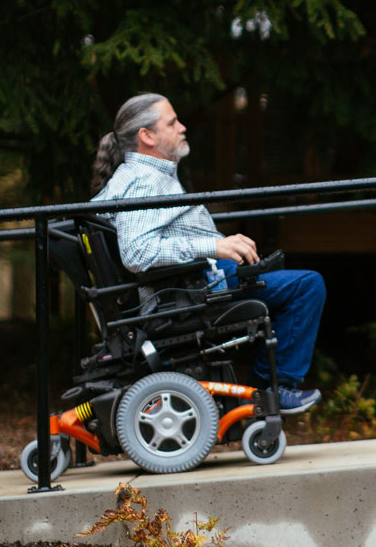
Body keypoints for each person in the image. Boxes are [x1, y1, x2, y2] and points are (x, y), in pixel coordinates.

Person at [90, 92, 325, 414]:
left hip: (188, 286)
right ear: (147, 136)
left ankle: (270, 389)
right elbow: (136, 252)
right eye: (172, 122)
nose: (182, 127)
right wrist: (215, 246)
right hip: (187, 294)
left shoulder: (140, 176)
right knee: (306, 287)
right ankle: (273, 390)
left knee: (281, 275)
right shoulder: (145, 181)